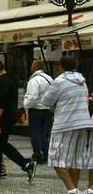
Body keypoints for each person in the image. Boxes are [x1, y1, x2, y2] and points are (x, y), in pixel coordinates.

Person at [39, 56, 93, 194]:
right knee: (75, 160)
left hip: (65, 123)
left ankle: (72, 189)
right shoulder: (82, 81)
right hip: (83, 123)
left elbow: (46, 101)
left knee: (55, 158)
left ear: (60, 67)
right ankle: (74, 189)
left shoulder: (59, 81)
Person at [0, 59, 36, 186]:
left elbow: (1, 103)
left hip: (1, 120)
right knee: (2, 145)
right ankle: (26, 164)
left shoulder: (2, 82)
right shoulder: (8, 80)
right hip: (4, 119)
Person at [24, 60, 53, 165]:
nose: (30, 67)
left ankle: (37, 154)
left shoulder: (34, 80)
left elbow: (33, 97)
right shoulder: (49, 78)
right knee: (44, 134)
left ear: (35, 67)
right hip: (48, 110)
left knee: (35, 133)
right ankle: (46, 154)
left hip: (36, 110)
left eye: (32, 65)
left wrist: (26, 104)